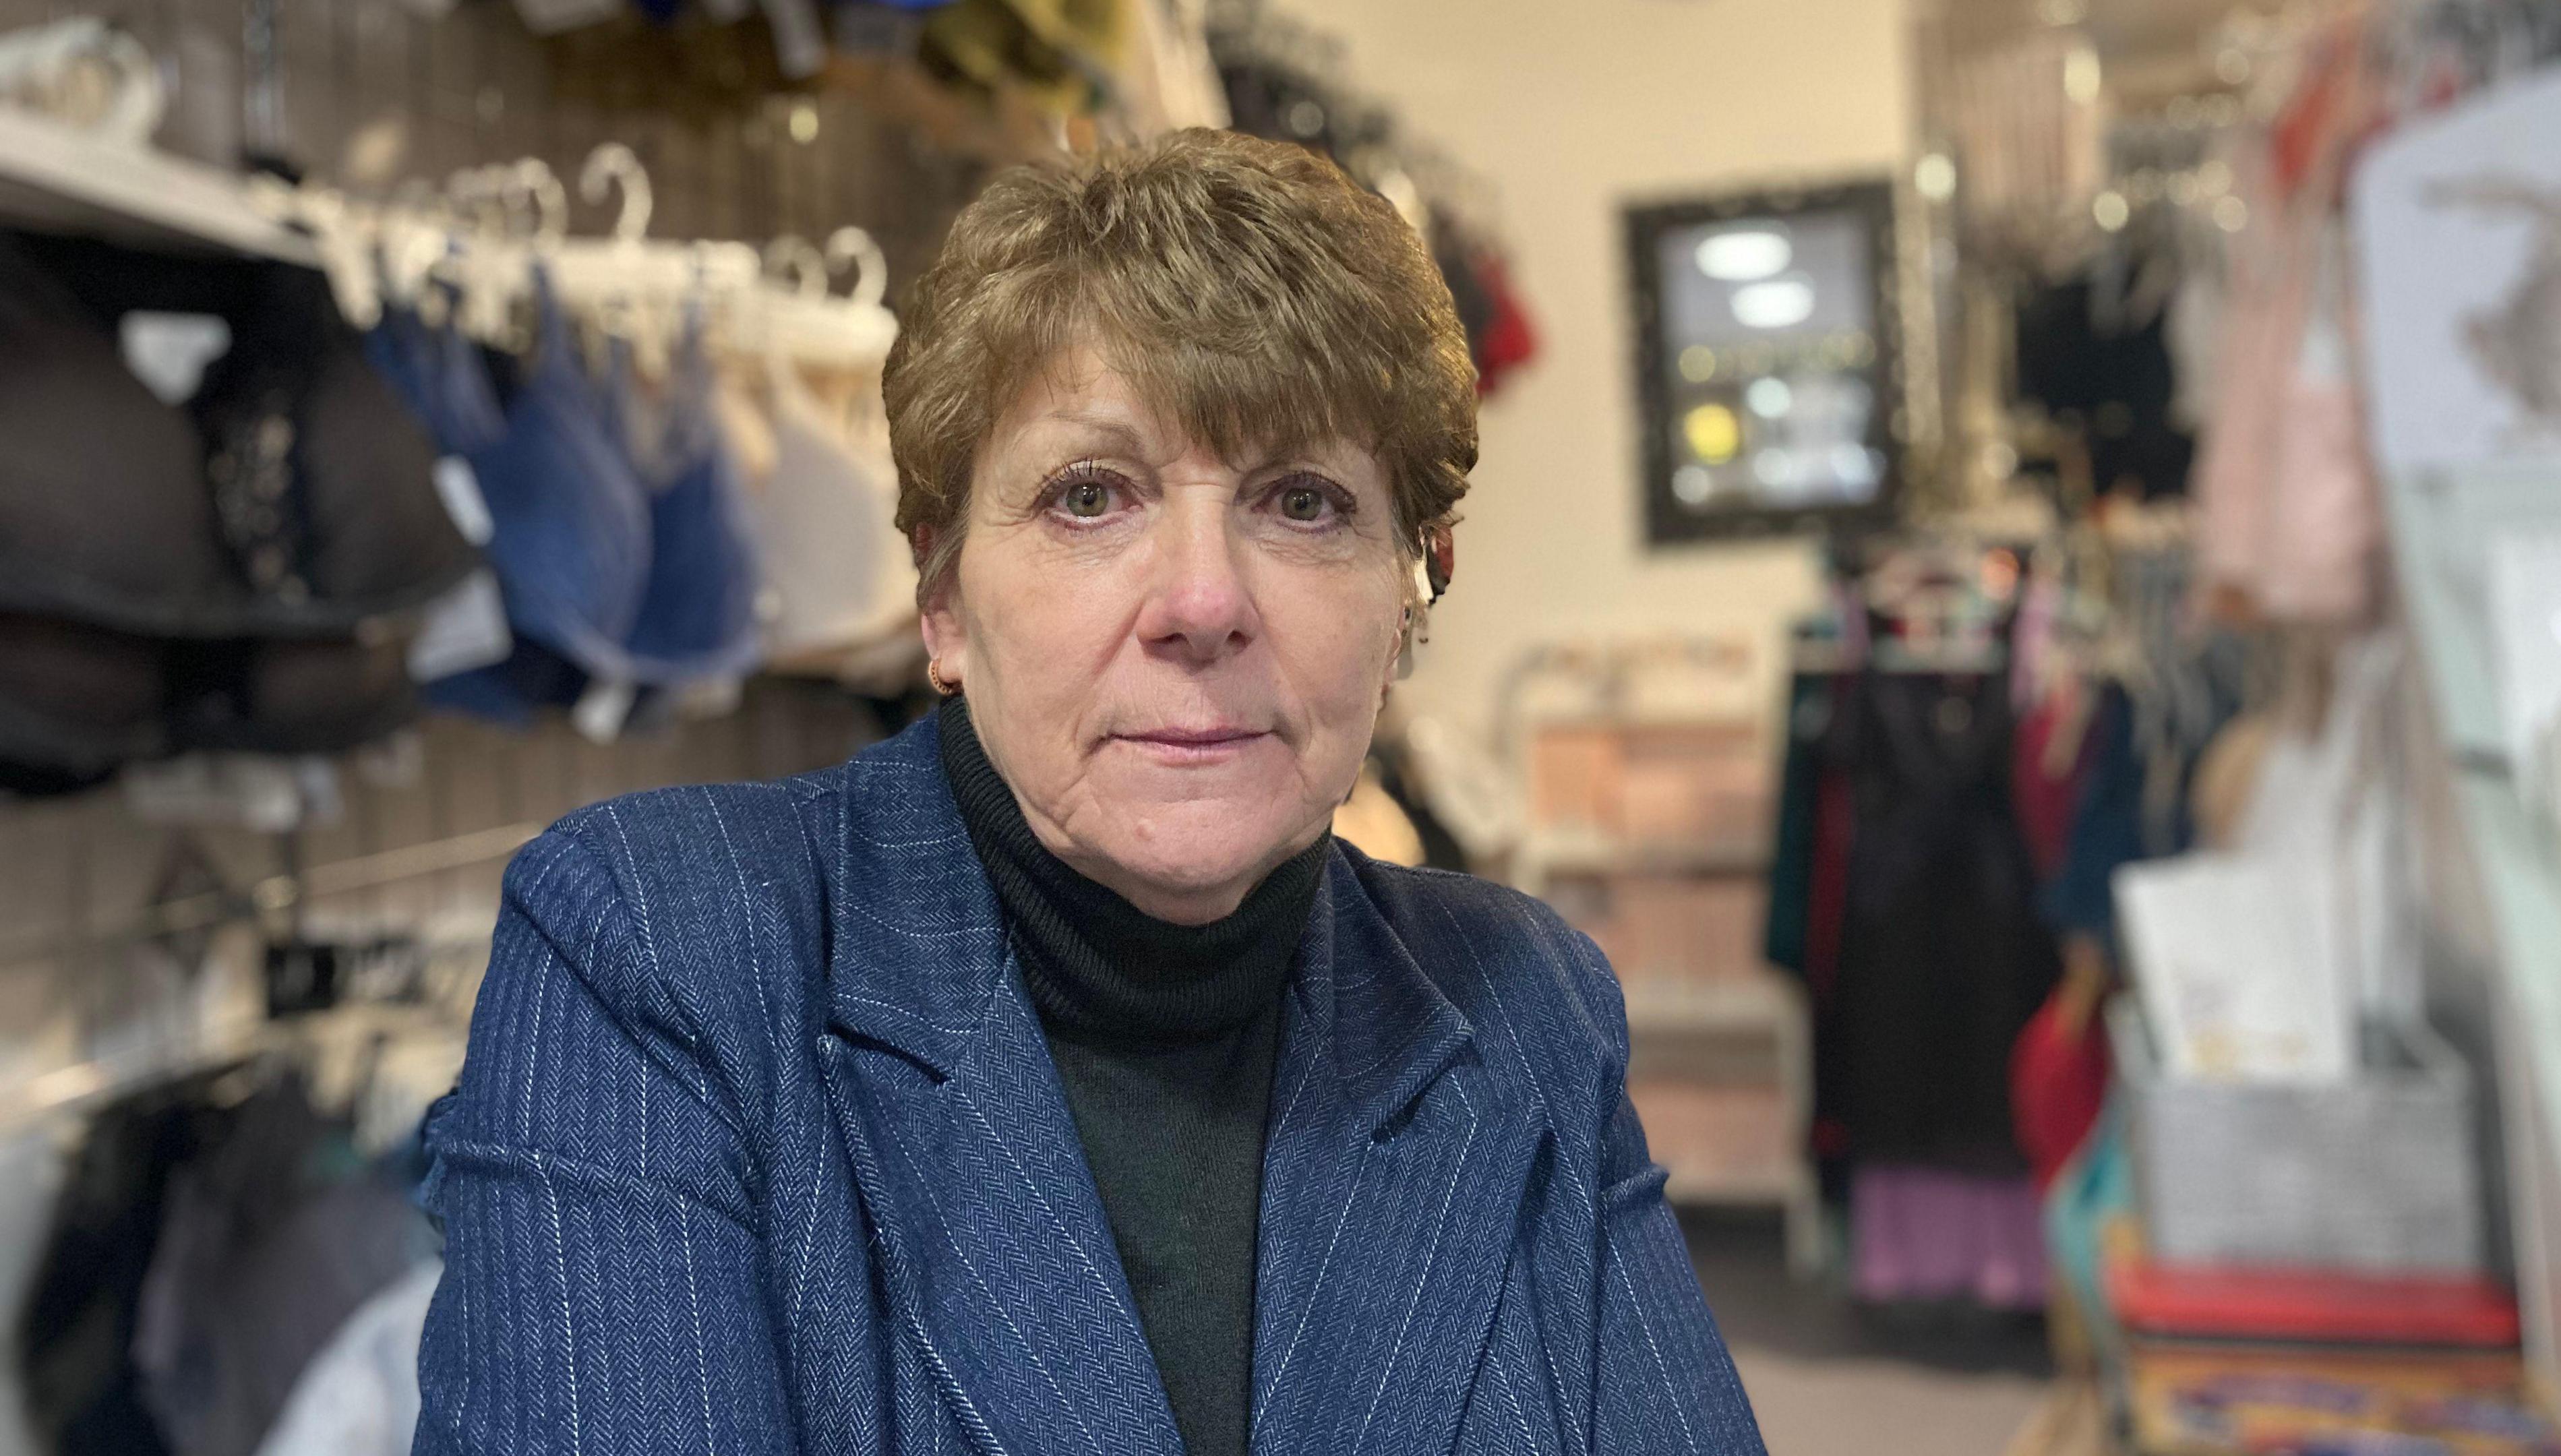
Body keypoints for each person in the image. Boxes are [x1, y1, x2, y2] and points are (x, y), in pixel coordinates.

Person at [412, 128, 1769, 1456]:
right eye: (1088, 497)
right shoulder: (664, 955)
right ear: (941, 603)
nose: (1200, 600)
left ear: (1411, 593)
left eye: (1302, 502)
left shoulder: (1524, 1002)